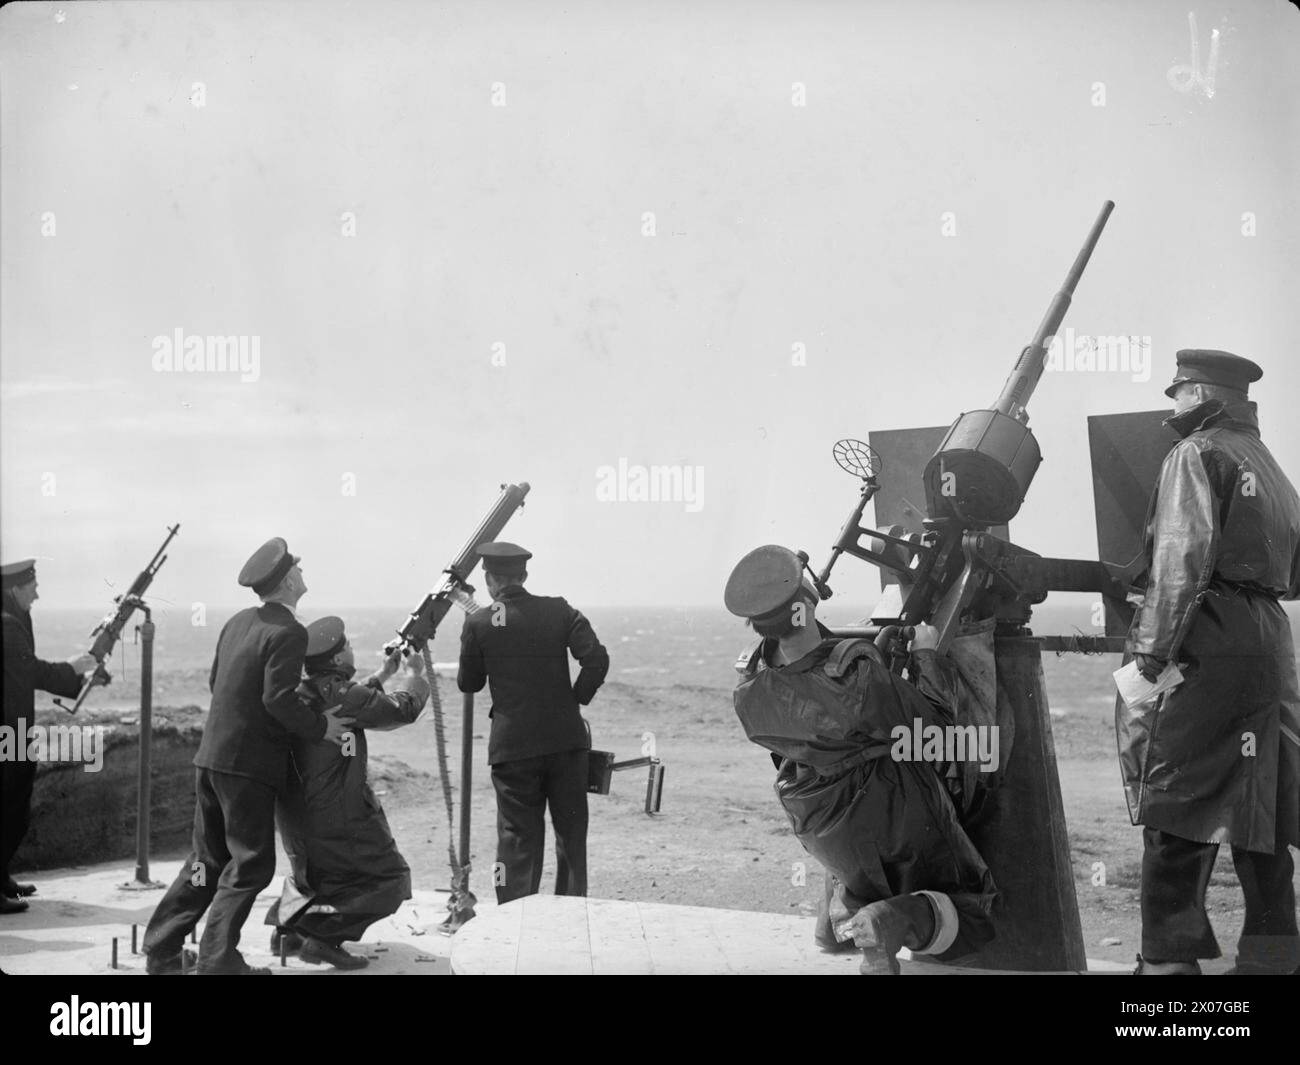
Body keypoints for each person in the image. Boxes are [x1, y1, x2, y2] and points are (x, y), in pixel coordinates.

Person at [725, 544, 997, 975]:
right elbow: (939, 730)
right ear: (808, 602)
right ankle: (890, 919)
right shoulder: (859, 675)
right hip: (891, 816)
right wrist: (925, 654)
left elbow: (807, 723)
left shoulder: (749, 691)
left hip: (819, 822)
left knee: (853, 845)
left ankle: (837, 926)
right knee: (976, 911)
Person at [1120, 349, 1300, 976]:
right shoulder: (1271, 465)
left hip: (1208, 639)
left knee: (1173, 795)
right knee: (1262, 802)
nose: (1172, 406)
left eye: (1177, 393)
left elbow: (1181, 559)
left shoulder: (1194, 453)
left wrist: (1149, 654)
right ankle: (1274, 954)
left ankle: (1169, 964)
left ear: (1197, 394)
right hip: (1269, 642)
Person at [142, 538, 352, 974]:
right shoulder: (289, 631)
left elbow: (216, 681)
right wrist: (320, 726)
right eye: (298, 567)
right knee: (252, 865)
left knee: (205, 861)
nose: (302, 572)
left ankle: (162, 951)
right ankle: (218, 961)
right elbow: (277, 698)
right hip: (247, 769)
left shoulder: (239, 621)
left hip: (211, 758)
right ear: (290, 579)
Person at [265, 616, 430, 969]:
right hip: (336, 817)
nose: (353, 651)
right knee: (391, 878)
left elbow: (352, 699)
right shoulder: (342, 695)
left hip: (298, 819)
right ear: (339, 660)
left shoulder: (298, 692)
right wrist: (415, 674)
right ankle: (323, 939)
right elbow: (402, 709)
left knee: (313, 876)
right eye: (349, 648)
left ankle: (288, 931)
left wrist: (383, 675)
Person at [457, 541, 610, 904]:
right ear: (523, 575)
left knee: (516, 836)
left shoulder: (479, 622)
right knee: (571, 833)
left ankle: (515, 912)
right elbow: (597, 660)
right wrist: (575, 698)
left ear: (489, 580)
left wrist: (473, 633)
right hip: (566, 742)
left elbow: (469, 683)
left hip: (513, 748)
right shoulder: (559, 610)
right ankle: (571, 909)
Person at [1, 559, 99, 915]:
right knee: (8, 808)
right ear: (15, 588)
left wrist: (75, 676)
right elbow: (31, 671)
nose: (38, 594)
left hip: (14, 729)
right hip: (6, 733)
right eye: (33, 587)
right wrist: (73, 668)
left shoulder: (14, 618)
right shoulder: (7, 623)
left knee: (15, 806)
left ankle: (1, 878)